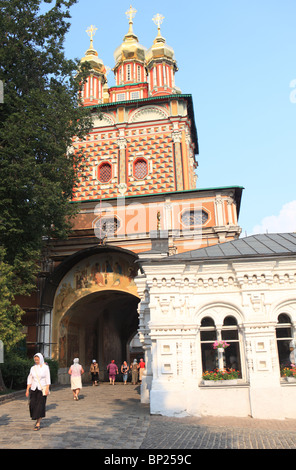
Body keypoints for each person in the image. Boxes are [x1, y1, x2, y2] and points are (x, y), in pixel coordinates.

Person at [26, 353, 51, 431]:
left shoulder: (45, 367)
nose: (36, 361)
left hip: (42, 389)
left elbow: (48, 378)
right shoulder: (33, 368)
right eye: (35, 359)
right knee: (32, 405)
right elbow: (30, 378)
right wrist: (27, 389)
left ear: (41, 359)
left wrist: (47, 388)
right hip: (34, 388)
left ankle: (38, 423)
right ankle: (35, 417)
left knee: (40, 405)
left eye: (38, 359)